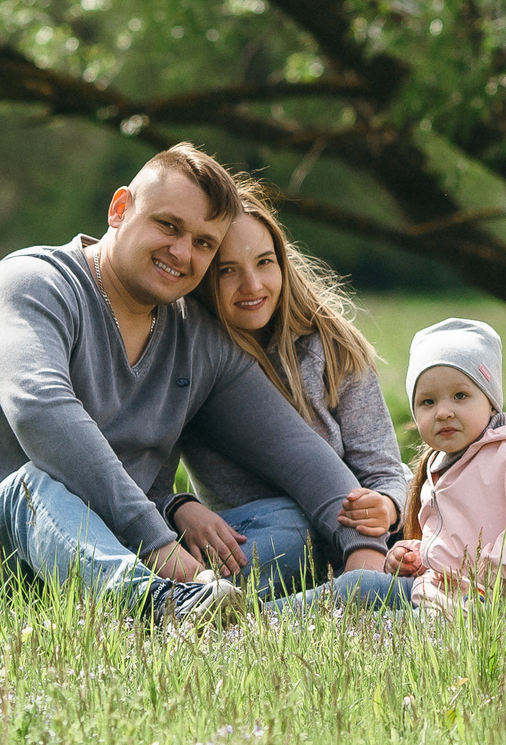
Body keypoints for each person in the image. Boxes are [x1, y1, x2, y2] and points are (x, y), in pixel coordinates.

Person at [0, 143, 385, 623]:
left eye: (203, 244)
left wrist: (364, 551)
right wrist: (157, 541)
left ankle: (238, 616)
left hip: (114, 556)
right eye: (168, 226)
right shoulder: (29, 286)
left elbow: (294, 449)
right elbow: (41, 411)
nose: (181, 252)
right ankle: (168, 611)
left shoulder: (195, 334)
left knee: (288, 524)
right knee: (33, 489)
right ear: (120, 208)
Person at [269, 316, 506, 614]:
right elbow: (459, 541)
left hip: (499, 606)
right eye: (428, 401)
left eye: (460, 396)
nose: (443, 412)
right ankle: (251, 614)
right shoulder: (440, 467)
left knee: (363, 591)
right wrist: (418, 555)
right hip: (447, 596)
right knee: (362, 587)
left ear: (491, 400)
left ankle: (259, 616)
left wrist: (495, 568)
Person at [172, 188, 404, 590]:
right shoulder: (191, 360)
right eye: (227, 270)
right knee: (291, 526)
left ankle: (349, 595)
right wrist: (179, 506)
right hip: (257, 541)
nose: (252, 284)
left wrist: (386, 506)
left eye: (264, 262)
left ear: (283, 263)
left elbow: (382, 467)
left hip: (353, 539)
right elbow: (139, 466)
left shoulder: (331, 347)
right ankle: (342, 599)